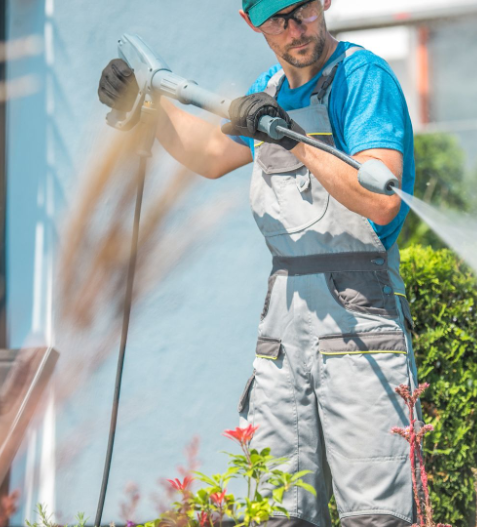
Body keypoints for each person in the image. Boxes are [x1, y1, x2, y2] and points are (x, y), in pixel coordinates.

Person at [98, 1, 419, 525]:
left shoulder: (361, 78)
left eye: (304, 9)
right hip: (284, 322)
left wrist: (286, 136)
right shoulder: (269, 89)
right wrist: (149, 105)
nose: (296, 28)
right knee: (277, 511)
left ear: (325, 1)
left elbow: (381, 195)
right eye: (278, 19)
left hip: (359, 318)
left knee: (376, 515)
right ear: (252, 23)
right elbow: (208, 153)